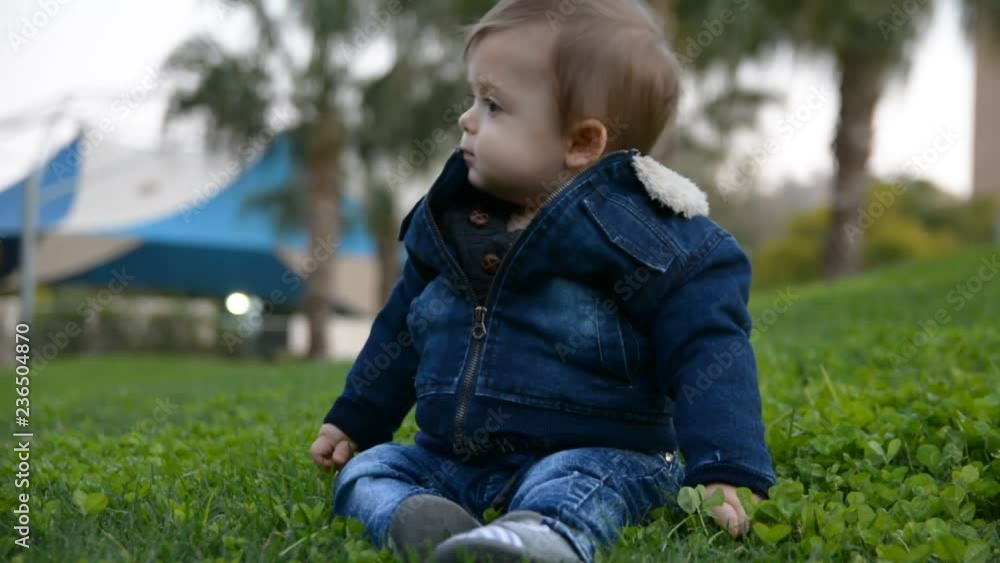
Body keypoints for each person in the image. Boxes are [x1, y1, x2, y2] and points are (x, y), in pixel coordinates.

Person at [309, 1, 776, 561]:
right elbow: (402, 329)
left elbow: (709, 350)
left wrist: (725, 465)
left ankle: (539, 539)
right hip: (453, 458)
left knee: (585, 482)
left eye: (495, 105)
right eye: (473, 99)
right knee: (373, 470)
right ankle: (417, 519)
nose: (467, 119)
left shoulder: (654, 245)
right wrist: (357, 418)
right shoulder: (451, 222)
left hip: (597, 453)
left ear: (581, 142)